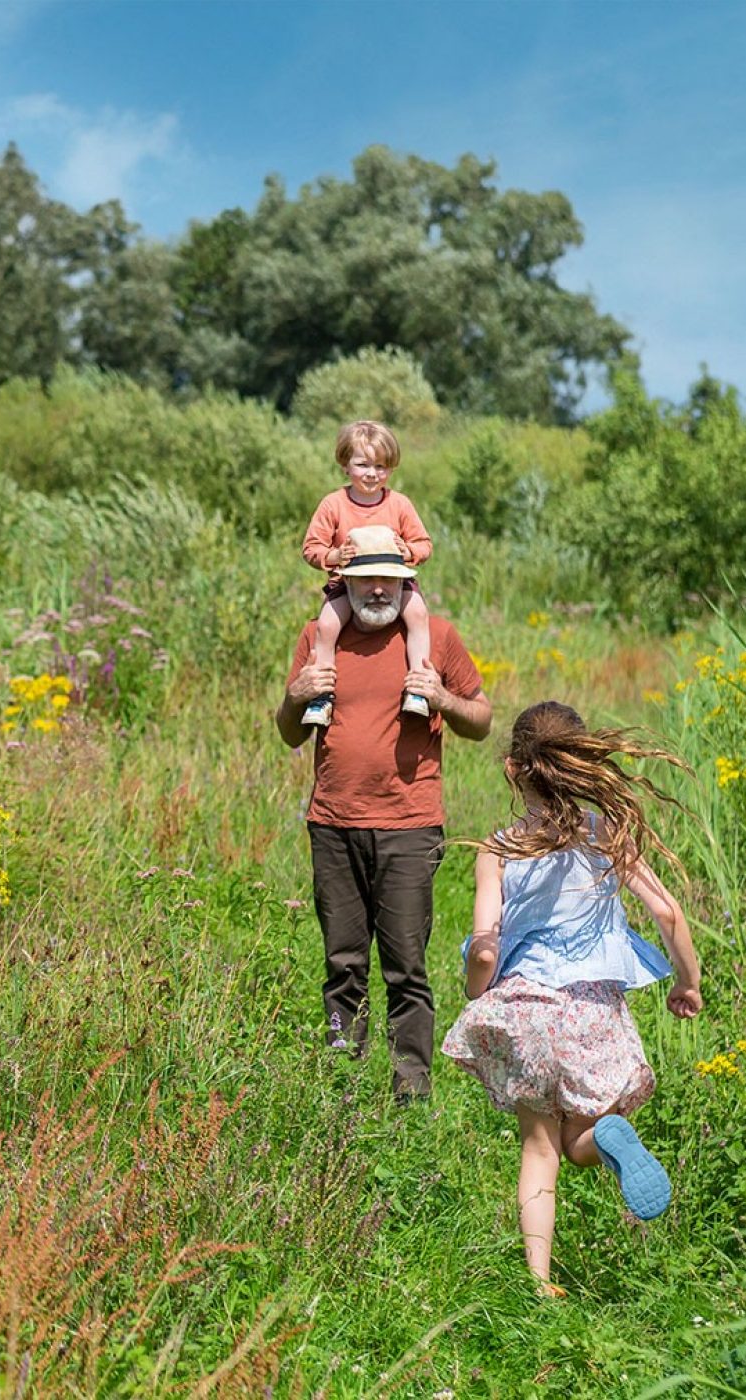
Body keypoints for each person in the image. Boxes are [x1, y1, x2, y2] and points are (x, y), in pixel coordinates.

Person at [442, 701, 702, 1296]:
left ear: (513, 769)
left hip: (527, 1009)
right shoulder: (605, 832)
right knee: (583, 1139)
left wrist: (477, 994)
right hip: (591, 1012)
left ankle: (539, 1282)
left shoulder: (498, 848)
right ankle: (607, 1136)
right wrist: (687, 982)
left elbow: (485, 947)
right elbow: (668, 912)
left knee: (540, 1148)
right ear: (581, 766)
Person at [276, 529, 492, 1103]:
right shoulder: (319, 637)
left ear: (405, 580)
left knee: (405, 966)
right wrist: (297, 694)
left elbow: (482, 719)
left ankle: (410, 1093)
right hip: (333, 823)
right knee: (342, 963)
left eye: (388, 578)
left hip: (409, 826)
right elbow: (289, 733)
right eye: (365, 578)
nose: (377, 588)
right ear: (343, 581)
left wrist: (442, 699)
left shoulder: (435, 638)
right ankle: (341, 1086)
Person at [301, 419, 433, 726]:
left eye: (381, 466)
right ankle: (322, 696)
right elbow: (311, 548)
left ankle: (418, 687)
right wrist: (334, 556)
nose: (372, 474)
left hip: (394, 583)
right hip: (347, 583)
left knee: (418, 614)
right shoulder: (333, 504)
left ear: (391, 468)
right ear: (345, 465)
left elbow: (424, 544)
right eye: (363, 465)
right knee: (327, 626)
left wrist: (408, 551)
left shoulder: (400, 504)